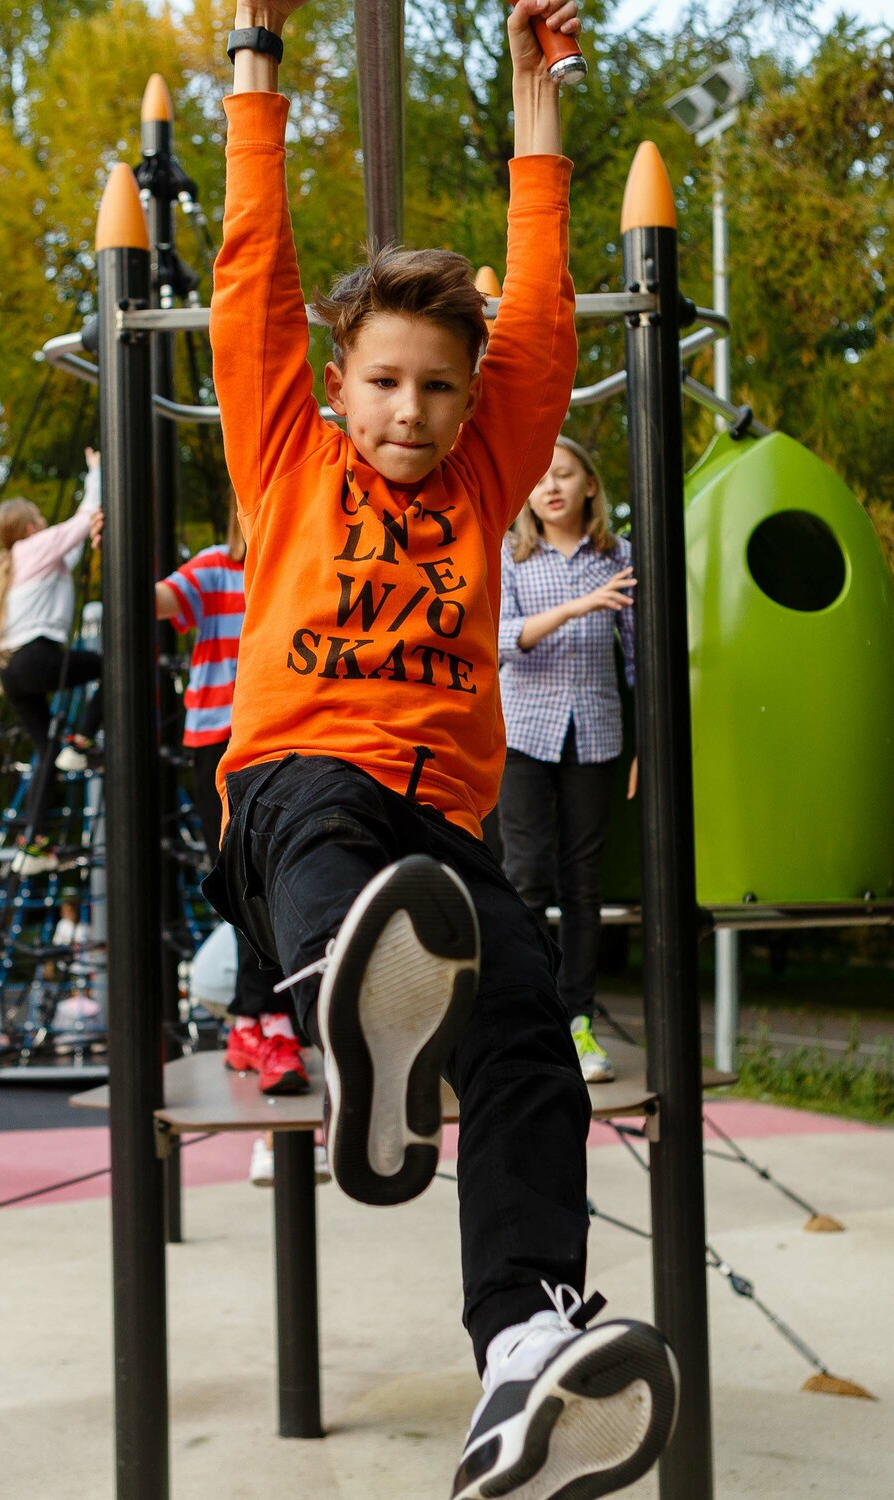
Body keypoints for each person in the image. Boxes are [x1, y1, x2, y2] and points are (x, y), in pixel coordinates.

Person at [204, 5, 678, 1497]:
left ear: (478, 409)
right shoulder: (285, 449)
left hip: (449, 842)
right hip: (296, 799)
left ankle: (522, 1344)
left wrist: (538, 119)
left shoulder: (486, 476)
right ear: (335, 380)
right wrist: (257, 62)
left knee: (533, 1021)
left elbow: (537, 313)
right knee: (337, 831)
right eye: (386, 382)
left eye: (440, 389)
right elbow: (251, 264)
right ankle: (361, 1010)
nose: (411, 412)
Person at [155, 501, 310, 1100]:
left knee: (270, 875)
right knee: (242, 875)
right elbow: (159, 603)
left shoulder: (298, 564)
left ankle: (254, 1020)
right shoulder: (220, 568)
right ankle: (266, 1020)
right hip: (220, 738)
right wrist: (116, 545)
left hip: (282, 733)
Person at [498, 437, 637, 1084]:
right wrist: (581, 605)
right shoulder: (510, 557)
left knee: (584, 887)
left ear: (589, 485)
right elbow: (504, 642)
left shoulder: (621, 558)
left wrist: (642, 750)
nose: (550, 486)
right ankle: (527, 1019)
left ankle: (578, 1020)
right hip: (524, 733)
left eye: (565, 473)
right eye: (540, 476)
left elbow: (638, 661)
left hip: (597, 736)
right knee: (526, 878)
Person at [0, 449, 104, 870]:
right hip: (35, 658)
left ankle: (33, 843)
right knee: (113, 666)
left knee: (46, 748)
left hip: (11, 668)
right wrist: (96, 471)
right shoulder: (33, 547)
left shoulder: (20, 561)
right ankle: (85, 740)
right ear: (30, 526)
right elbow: (84, 517)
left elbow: (71, 548)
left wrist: (92, 528)